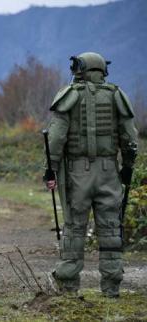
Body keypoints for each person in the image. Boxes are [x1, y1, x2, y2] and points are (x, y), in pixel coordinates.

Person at [44, 52, 138, 298]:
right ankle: (111, 287)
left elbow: (55, 137)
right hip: (109, 172)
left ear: (81, 69)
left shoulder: (69, 96)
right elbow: (130, 137)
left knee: (74, 227)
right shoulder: (117, 96)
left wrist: (50, 169)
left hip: (77, 173)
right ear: (102, 70)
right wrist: (127, 166)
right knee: (110, 228)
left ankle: (67, 286)